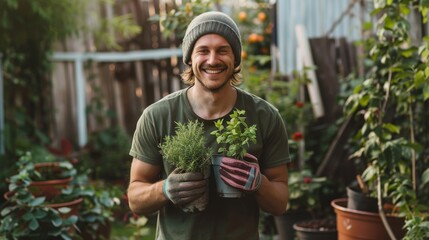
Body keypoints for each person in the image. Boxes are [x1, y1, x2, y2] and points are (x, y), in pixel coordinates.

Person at [127, 11, 290, 240]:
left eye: (222, 50)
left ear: (235, 58)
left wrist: (259, 183)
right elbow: (135, 198)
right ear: (190, 58)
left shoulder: (265, 117)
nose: (212, 60)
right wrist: (165, 189)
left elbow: (281, 202)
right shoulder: (157, 116)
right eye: (203, 50)